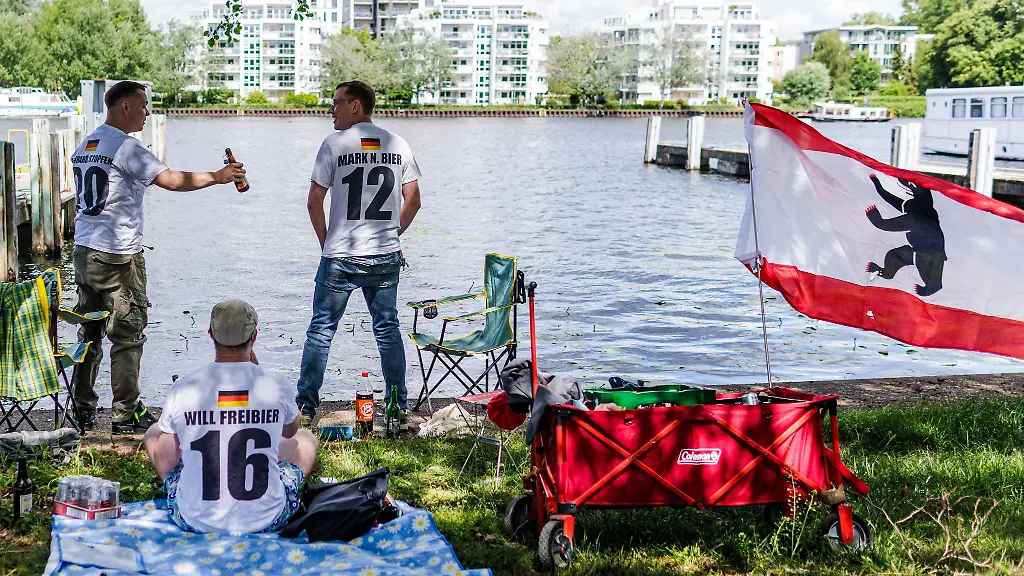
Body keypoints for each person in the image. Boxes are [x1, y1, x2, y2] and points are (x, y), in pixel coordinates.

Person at [71, 81, 246, 434]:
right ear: (124, 107)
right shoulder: (126, 147)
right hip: (117, 256)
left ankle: (83, 410)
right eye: (143, 105)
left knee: (88, 334)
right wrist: (218, 176)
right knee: (127, 334)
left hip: (84, 251)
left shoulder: (87, 144)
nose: (147, 112)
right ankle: (125, 414)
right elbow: (171, 180)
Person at [295, 80, 422, 430]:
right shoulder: (398, 144)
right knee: (388, 330)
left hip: (340, 255)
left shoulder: (334, 144)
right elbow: (414, 200)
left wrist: (326, 243)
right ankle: (397, 404)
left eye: (336, 102)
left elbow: (313, 201)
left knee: (321, 331)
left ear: (355, 106)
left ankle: (305, 408)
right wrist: (391, 234)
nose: (331, 109)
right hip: (384, 256)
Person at [144, 299, 318, 534]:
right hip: (267, 519)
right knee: (306, 439)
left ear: (210, 335)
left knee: (155, 432)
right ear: (254, 337)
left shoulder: (184, 387)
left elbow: (166, 460)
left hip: (195, 519)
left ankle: (187, 481)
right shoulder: (274, 384)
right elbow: (291, 430)